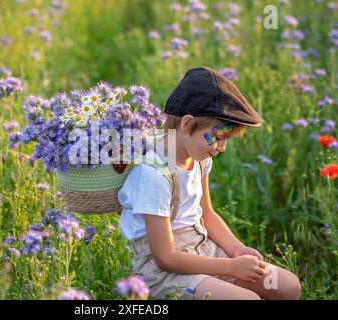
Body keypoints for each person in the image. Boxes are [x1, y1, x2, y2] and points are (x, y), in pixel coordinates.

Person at [117, 67, 301, 300]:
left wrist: (236, 251)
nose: (221, 148)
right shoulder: (153, 174)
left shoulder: (199, 158)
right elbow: (165, 256)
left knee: (287, 286)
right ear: (186, 124)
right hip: (164, 273)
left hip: (203, 248)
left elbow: (207, 213)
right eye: (217, 137)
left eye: (226, 140)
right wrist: (231, 268)